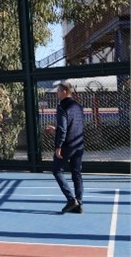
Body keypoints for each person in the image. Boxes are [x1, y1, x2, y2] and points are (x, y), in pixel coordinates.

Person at [45, 81, 85, 214]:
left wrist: (58, 146)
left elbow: (63, 128)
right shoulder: (78, 106)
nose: (56, 93)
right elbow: (72, 126)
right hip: (78, 145)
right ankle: (78, 203)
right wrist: (56, 130)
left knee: (57, 170)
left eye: (58, 91)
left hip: (67, 145)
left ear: (64, 92)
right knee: (76, 174)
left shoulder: (62, 106)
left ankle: (71, 199)